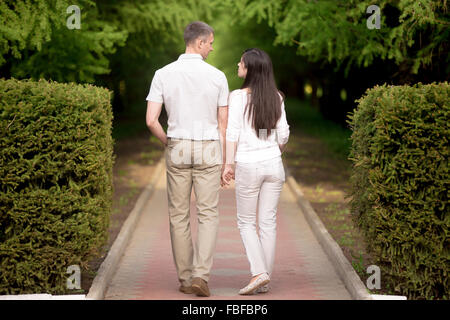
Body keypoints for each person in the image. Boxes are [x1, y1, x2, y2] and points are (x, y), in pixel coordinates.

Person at [146, 21, 229, 297]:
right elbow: (222, 123)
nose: (212, 47)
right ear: (198, 42)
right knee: (208, 214)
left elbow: (151, 121)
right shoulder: (218, 76)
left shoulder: (163, 74)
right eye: (210, 42)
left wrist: (168, 142)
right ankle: (201, 276)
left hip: (178, 144)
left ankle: (184, 278)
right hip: (208, 146)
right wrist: (226, 161)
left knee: (178, 215)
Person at [222, 48, 290, 295]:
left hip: (248, 165)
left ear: (249, 69)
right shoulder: (277, 97)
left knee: (246, 222)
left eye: (240, 62)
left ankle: (259, 273)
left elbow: (232, 134)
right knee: (268, 222)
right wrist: (272, 150)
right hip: (274, 164)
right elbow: (283, 135)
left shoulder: (237, 97)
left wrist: (228, 164)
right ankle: (265, 279)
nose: (237, 65)